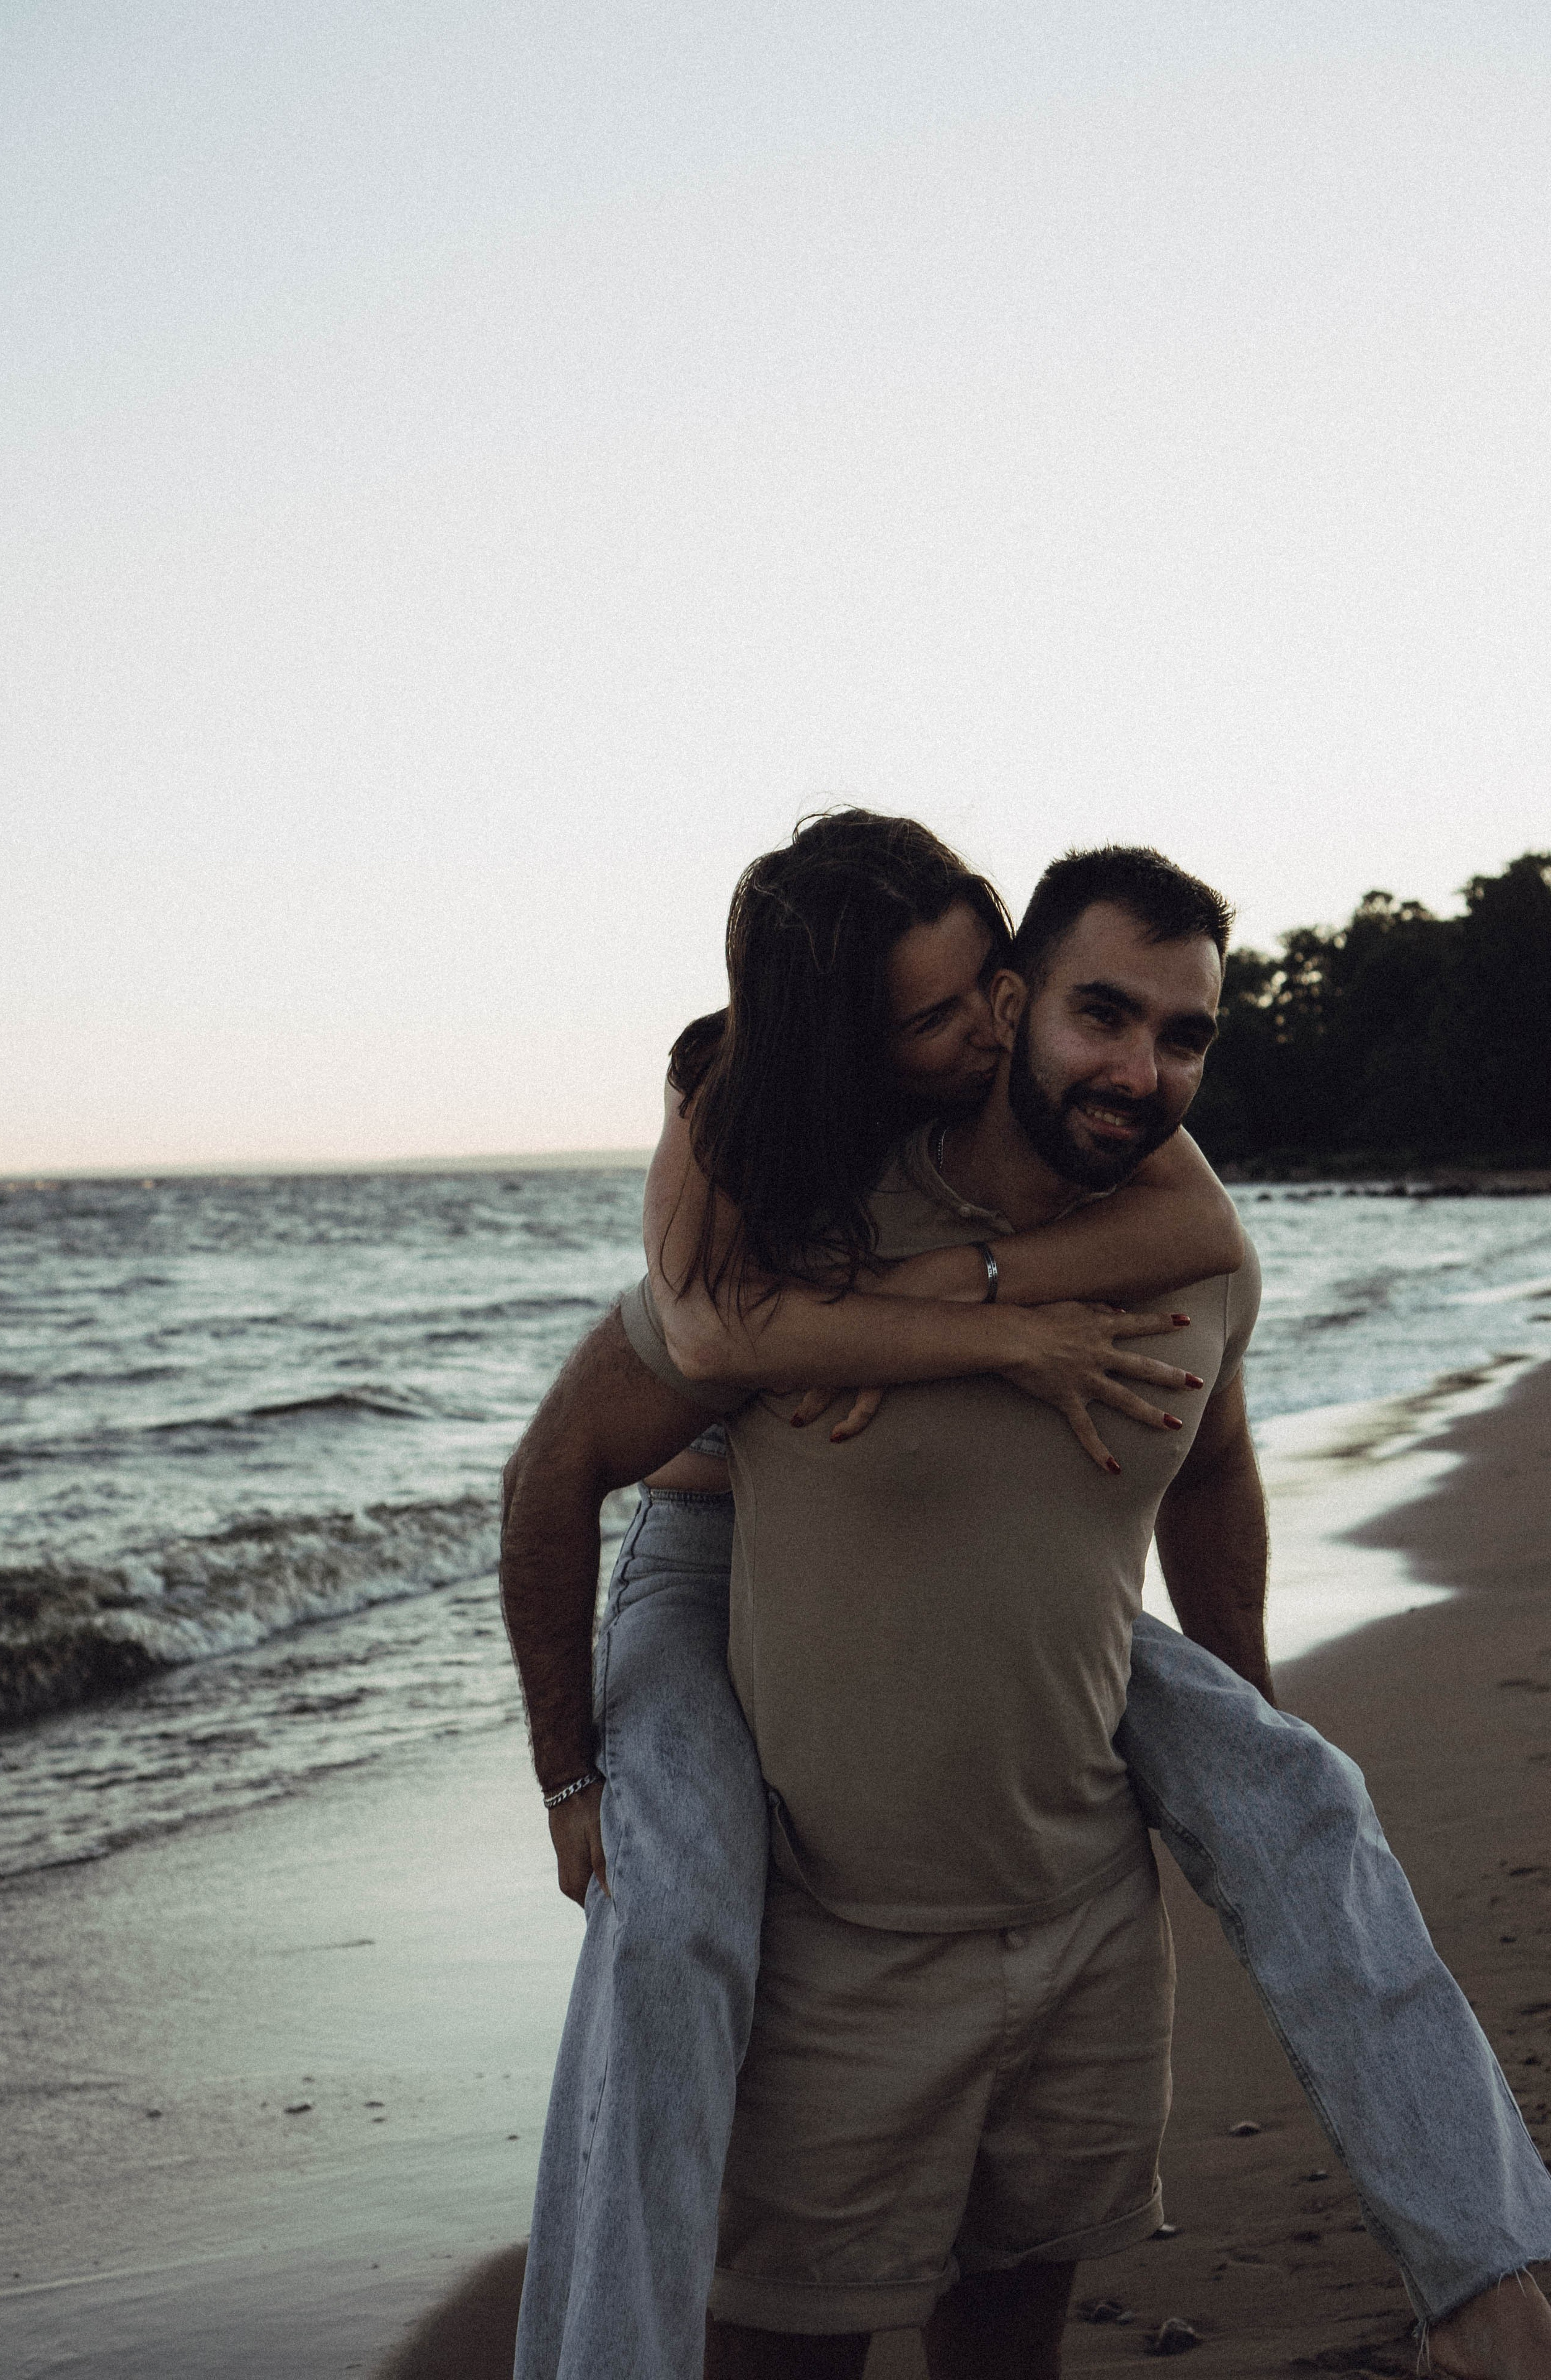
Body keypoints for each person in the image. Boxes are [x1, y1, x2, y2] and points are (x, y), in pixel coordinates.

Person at [502, 819, 1551, 2380]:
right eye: (1094, 1014)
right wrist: (570, 1766)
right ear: (964, 1014)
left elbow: (1205, 1458)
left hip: (1076, 1924)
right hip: (779, 1760)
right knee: (673, 1930)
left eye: (1182, 1033)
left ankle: (1492, 2294)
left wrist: (1242, 1683)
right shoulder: (795, 1182)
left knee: (1293, 1788)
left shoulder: (1176, 1225)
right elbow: (638, 1400)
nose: (1130, 1064)